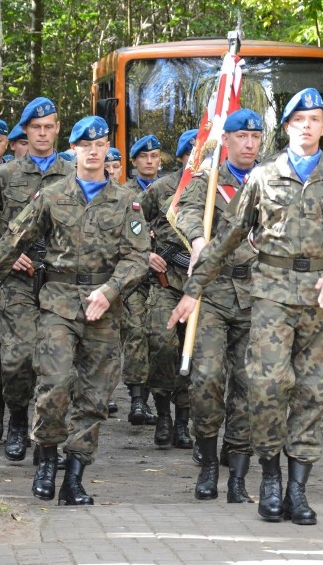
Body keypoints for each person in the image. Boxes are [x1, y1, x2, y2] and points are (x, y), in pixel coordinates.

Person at [168, 88, 323, 525]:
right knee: (267, 387)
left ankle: (298, 490)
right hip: (271, 297)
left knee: (313, 393)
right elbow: (228, 238)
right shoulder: (264, 177)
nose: (307, 126)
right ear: (287, 128)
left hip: (320, 298)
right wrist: (194, 288)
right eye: (299, 120)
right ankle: (270, 478)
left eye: (315, 119)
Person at [0, 115, 150, 505]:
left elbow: (138, 257)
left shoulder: (125, 201)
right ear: (74, 150)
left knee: (94, 397)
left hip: (104, 309)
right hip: (59, 302)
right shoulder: (51, 195)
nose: (94, 152)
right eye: (86, 145)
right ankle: (46, 459)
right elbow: (13, 240)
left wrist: (111, 290)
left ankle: (75, 476)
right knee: (54, 385)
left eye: (100, 145)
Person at [175, 111, 262, 502]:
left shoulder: (272, 181)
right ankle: (208, 463)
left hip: (259, 296)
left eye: (255, 136)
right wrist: (196, 240)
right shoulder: (208, 181)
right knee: (206, 379)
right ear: (225, 140)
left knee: (248, 388)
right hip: (211, 292)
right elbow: (185, 211)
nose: (249, 143)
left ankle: (239, 477)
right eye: (241, 136)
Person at [0, 97, 75, 462]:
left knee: (57, 362)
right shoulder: (3, 177)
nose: (42, 134)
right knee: (19, 357)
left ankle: (48, 434)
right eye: (35, 128)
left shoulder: (75, 176)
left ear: (58, 129)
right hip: (16, 279)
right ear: (25, 131)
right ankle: (17, 420)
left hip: (60, 280)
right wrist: (9, 254)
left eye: (49, 127)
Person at [137, 129, 198, 448]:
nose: (196, 160)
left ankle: (183, 422)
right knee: (161, 345)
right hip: (166, 284)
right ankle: (162, 414)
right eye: (191, 154)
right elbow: (130, 225)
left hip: (202, 288)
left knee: (194, 353)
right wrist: (145, 254)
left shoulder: (217, 190)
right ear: (181, 157)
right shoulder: (160, 189)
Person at [119, 134, 163, 427]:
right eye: (144, 157)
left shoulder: (173, 189)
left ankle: (163, 402)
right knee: (135, 332)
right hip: (134, 276)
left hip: (166, 276)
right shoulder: (122, 193)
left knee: (158, 336)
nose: (149, 161)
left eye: (155, 156)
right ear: (134, 161)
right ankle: (137, 400)